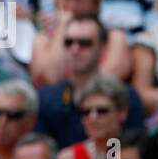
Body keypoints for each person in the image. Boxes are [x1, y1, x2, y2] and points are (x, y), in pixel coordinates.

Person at [35, 14, 146, 149]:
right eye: (69, 42)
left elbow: (131, 152)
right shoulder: (45, 99)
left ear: (102, 48)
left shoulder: (126, 96)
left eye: (85, 43)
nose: (75, 49)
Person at [30, 0, 129, 88]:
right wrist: (62, 28)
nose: (72, 7)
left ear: (95, 3)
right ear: (57, 1)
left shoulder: (115, 37)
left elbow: (107, 81)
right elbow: (52, 78)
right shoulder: (43, 39)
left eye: (79, 0)